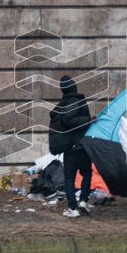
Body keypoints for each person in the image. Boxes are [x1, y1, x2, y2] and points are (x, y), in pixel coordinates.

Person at [48, 76, 93, 218]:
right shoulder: (79, 101)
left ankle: (74, 207)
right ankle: (83, 201)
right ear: (74, 87)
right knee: (86, 173)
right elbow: (70, 120)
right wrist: (88, 120)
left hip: (71, 148)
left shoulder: (63, 104)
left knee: (69, 178)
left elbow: (67, 120)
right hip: (81, 146)